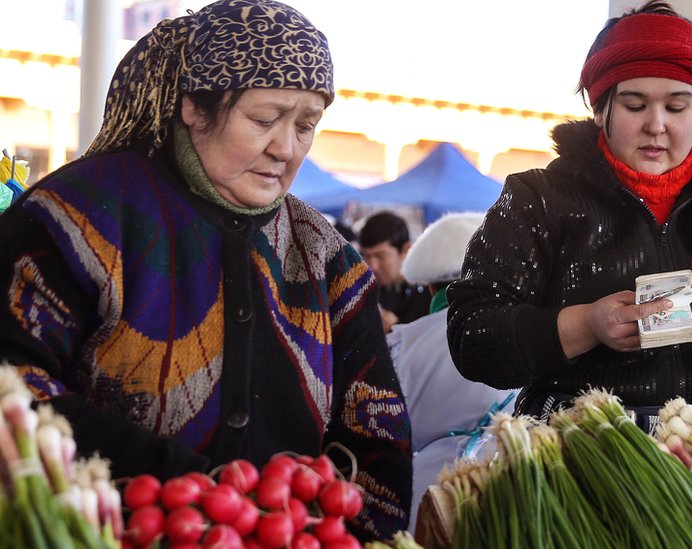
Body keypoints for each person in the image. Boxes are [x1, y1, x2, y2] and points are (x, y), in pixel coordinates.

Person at [0, 0, 410, 540]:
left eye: (306, 126)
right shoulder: (80, 215)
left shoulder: (325, 255)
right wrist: (185, 485)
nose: (285, 149)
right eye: (263, 120)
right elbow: (14, 381)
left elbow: (377, 433)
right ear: (195, 107)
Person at [446, 1, 692, 423]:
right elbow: (472, 334)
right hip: (586, 442)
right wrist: (585, 325)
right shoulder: (538, 199)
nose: (656, 125)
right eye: (635, 106)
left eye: (677, 107)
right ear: (600, 110)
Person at [386, 212, 516, 534]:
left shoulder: (403, 342)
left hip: (428, 500)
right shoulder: (523, 333)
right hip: (511, 490)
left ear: (430, 287)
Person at [359, 211, 432, 332]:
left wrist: (395, 329)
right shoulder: (368, 292)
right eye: (367, 256)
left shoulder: (429, 292)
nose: (373, 266)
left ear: (405, 250)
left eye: (381, 256)